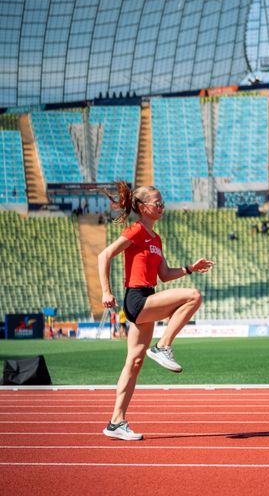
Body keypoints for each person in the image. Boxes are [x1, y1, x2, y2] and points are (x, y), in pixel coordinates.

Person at [98, 182, 215, 441]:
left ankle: (116, 422)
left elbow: (163, 275)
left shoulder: (155, 238)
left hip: (148, 296)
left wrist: (189, 269)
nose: (162, 207)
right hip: (136, 298)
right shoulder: (136, 229)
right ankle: (163, 346)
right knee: (193, 296)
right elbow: (104, 256)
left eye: (163, 203)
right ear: (142, 207)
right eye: (157, 203)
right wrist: (106, 292)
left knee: (135, 362)